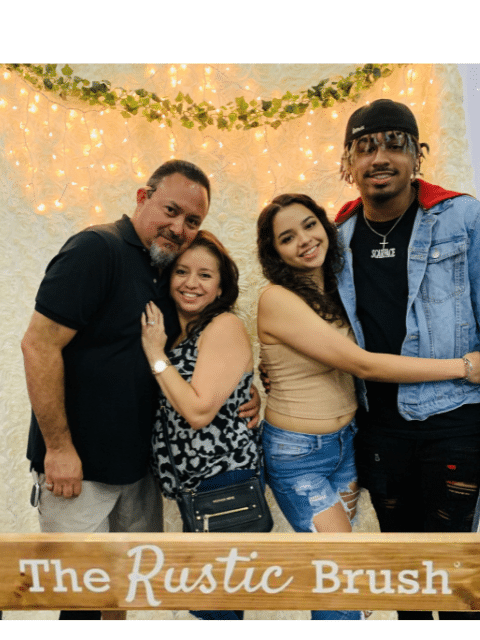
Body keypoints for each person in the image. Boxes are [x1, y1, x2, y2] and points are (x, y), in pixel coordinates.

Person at [21, 160, 259, 620]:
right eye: (171, 210)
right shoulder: (97, 249)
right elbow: (38, 345)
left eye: (193, 221)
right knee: (82, 598)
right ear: (141, 197)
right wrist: (59, 447)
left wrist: (243, 395)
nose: (179, 226)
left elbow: (193, 365)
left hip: (138, 470)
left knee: (124, 594)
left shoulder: (164, 270)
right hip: (80, 470)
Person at [256, 192, 480, 621]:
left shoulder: (337, 288)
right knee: (346, 585)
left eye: (309, 224)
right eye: (287, 237)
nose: (304, 239)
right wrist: (465, 367)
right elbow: (362, 363)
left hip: (344, 449)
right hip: (299, 455)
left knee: (339, 582)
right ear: (275, 253)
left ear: (325, 225)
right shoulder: (277, 299)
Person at [335, 98, 480, 620]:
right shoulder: (335, 238)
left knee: (458, 576)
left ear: (417, 155)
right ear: (346, 161)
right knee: (407, 578)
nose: (380, 157)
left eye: (394, 144)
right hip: (378, 429)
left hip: (455, 421)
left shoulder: (462, 216)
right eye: (366, 146)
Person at [141, 230, 268, 621]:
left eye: (205, 275)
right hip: (195, 489)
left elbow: (198, 412)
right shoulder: (182, 332)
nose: (191, 283)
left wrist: (154, 354)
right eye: (182, 271)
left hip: (224, 484)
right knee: (208, 606)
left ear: (220, 287)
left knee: (214, 609)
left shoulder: (223, 326)